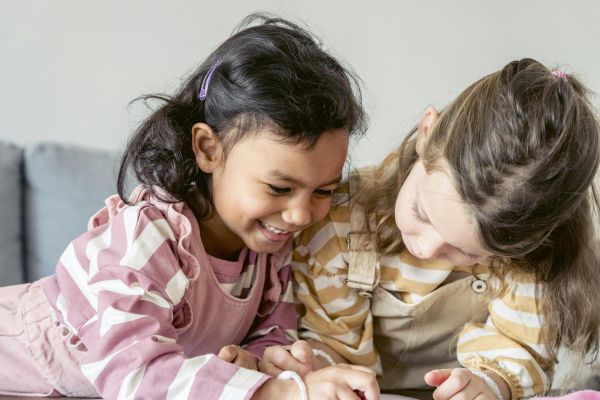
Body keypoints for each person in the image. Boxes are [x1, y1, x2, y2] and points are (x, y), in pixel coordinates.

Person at [0, 13, 381, 400]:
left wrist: (271, 362)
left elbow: (271, 334)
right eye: (278, 187)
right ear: (208, 149)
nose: (301, 215)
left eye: (323, 191)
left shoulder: (269, 246)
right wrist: (277, 393)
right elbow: (136, 377)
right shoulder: (147, 239)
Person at [258, 58, 600, 399]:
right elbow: (333, 342)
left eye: (466, 250)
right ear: (427, 132)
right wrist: (313, 364)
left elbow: (521, 347)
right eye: (421, 214)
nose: (426, 247)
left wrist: (490, 385)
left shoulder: (528, 255)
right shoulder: (341, 225)